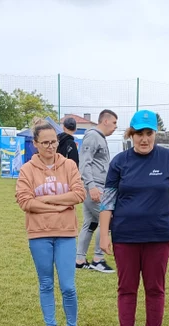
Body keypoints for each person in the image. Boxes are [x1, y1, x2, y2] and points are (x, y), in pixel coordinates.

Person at [98, 109, 169, 326]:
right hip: (125, 236)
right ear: (131, 134)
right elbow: (108, 200)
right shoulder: (120, 162)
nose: (144, 139)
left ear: (155, 134)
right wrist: (104, 234)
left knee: (155, 287)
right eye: (139, 133)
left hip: (158, 235)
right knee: (126, 287)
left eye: (149, 133)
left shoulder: (168, 158)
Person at [15, 120, 86, 326]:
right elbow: (25, 201)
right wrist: (58, 206)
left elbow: (78, 194)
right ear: (35, 144)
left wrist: (45, 200)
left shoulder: (69, 166)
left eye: (53, 142)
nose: (50, 146)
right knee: (46, 283)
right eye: (45, 142)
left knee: (68, 285)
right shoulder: (27, 169)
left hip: (65, 233)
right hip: (39, 234)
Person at [76, 109, 118, 273]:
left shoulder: (99, 137)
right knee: (107, 219)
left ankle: (79, 260)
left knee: (90, 223)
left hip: (97, 185)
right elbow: (84, 163)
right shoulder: (93, 136)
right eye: (114, 123)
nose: (115, 127)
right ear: (105, 121)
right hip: (94, 187)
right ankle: (98, 259)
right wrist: (91, 186)